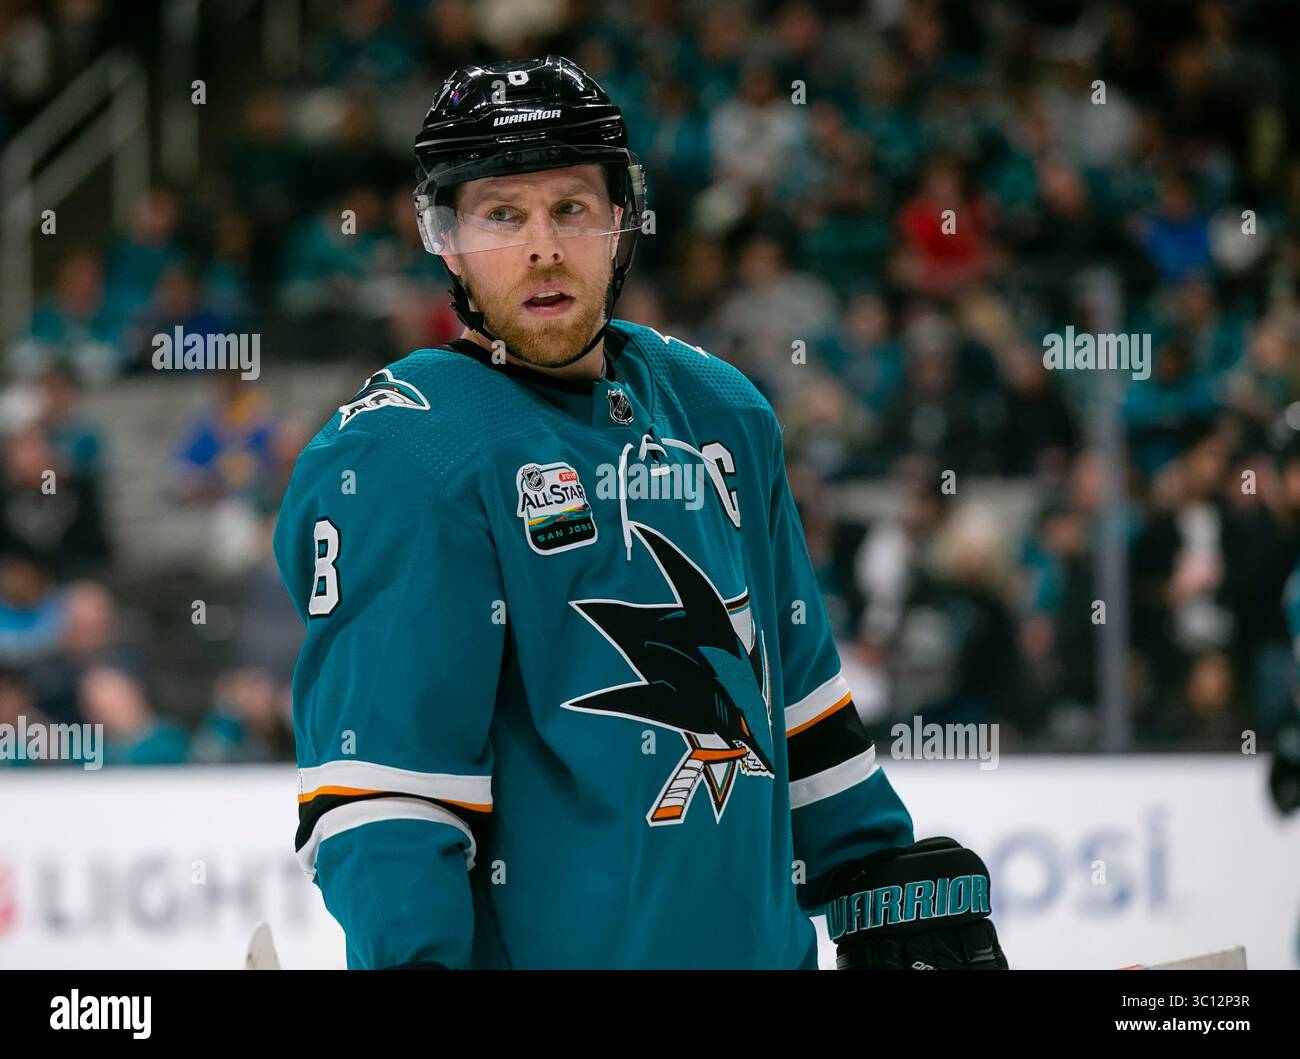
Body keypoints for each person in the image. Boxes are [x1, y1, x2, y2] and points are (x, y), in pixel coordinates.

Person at [274, 55, 1006, 970]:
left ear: (622, 221)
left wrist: (875, 868)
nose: (542, 245)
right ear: (446, 239)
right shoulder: (405, 453)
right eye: (502, 213)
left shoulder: (721, 411)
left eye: (571, 207)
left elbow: (801, 703)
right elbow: (387, 790)